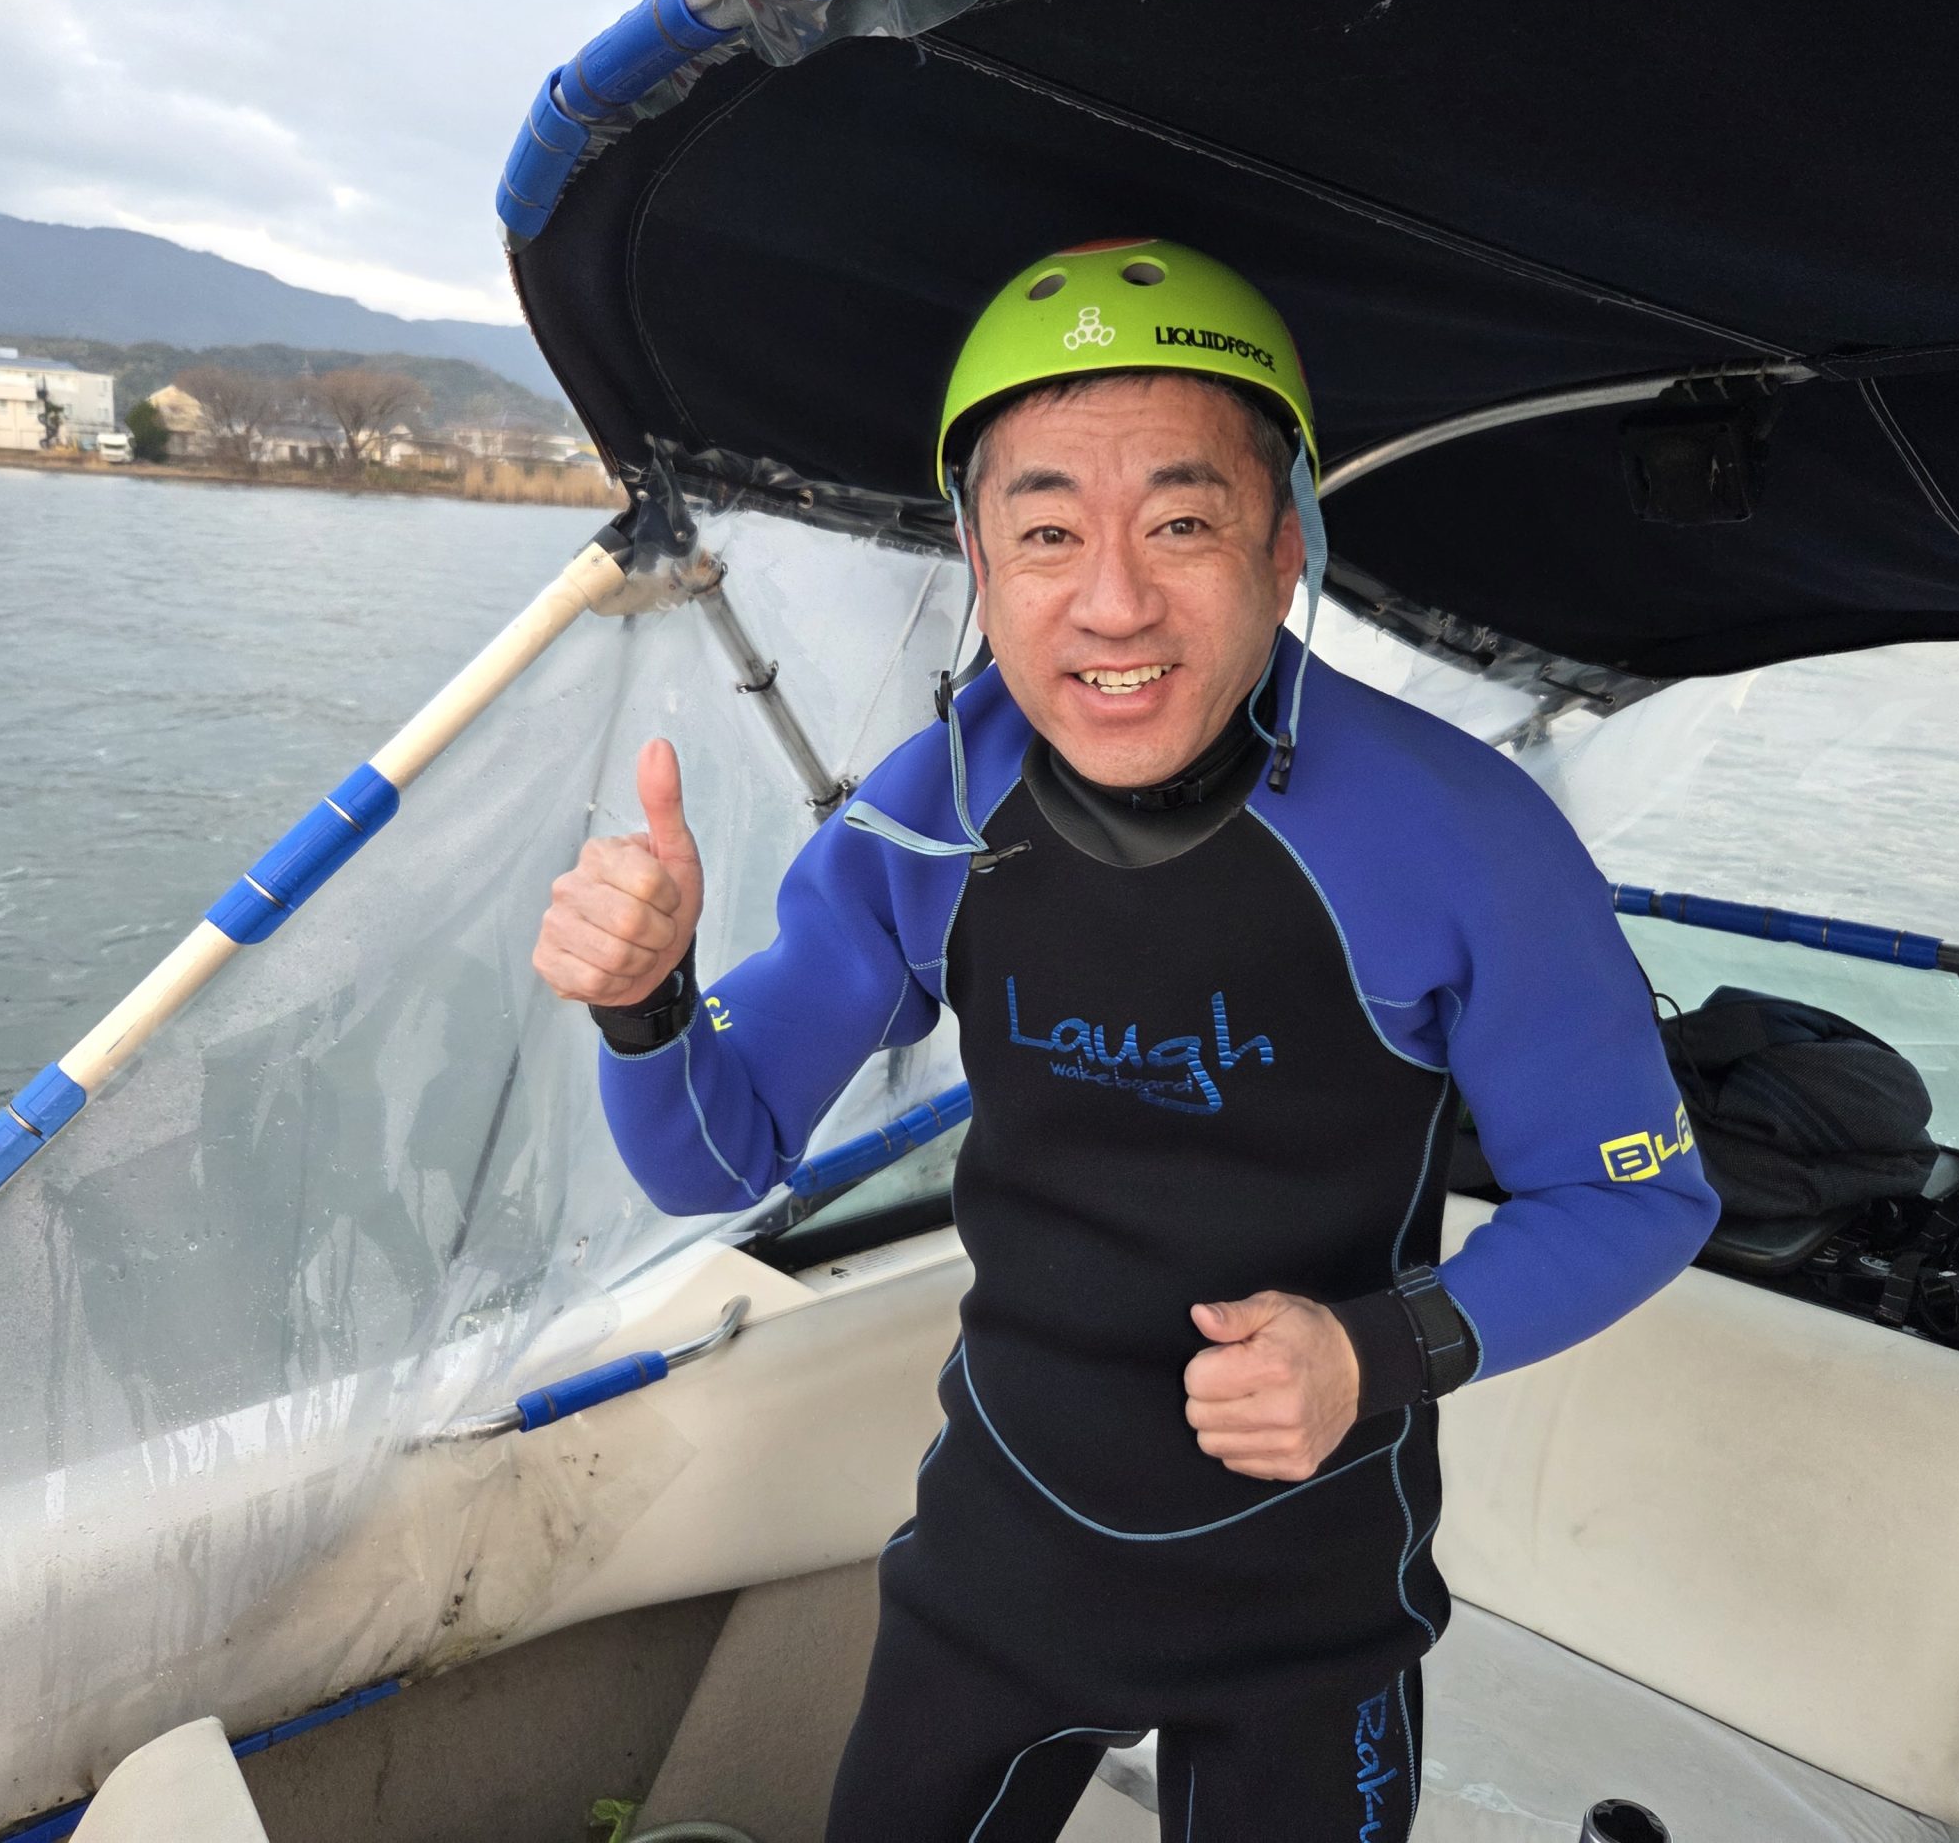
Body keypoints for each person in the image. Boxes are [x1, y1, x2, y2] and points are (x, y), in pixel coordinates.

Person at [532, 240, 1718, 1841]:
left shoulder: (1464, 837)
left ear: (1284, 547)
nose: (1112, 602)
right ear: (977, 557)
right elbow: (714, 1157)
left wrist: (1372, 1354)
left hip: (1312, 1608)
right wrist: (646, 1002)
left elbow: (1636, 1194)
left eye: (1181, 523)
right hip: (998, 1568)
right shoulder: (931, 814)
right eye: (1046, 533)